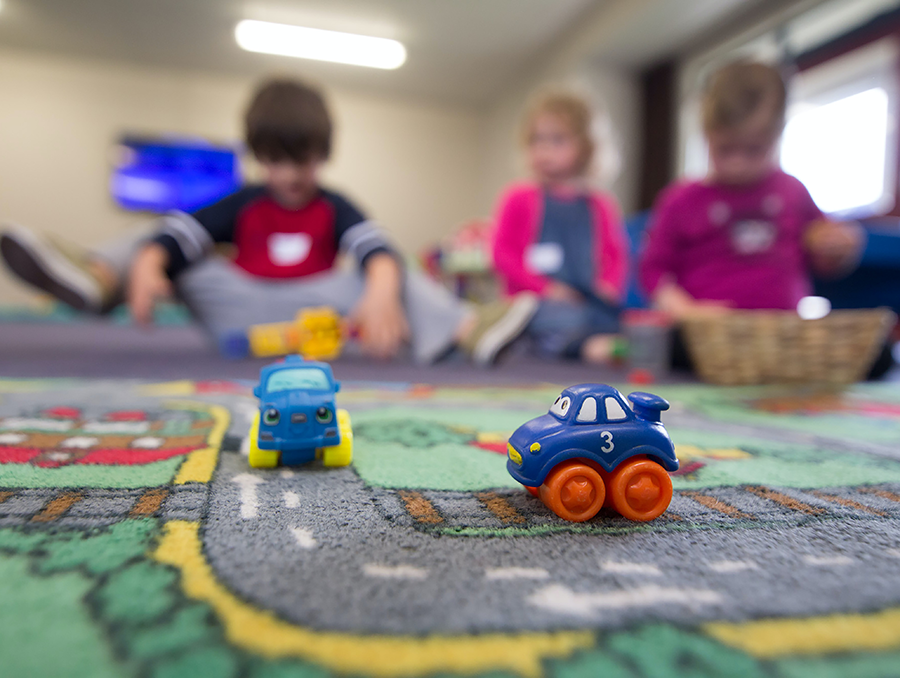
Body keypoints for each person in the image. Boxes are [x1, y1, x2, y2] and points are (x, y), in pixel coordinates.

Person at [0, 78, 537, 365]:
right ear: (258, 155)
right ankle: (97, 279)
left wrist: (380, 288)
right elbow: (178, 234)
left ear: (322, 155)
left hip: (313, 314)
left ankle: (470, 331)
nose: (289, 174)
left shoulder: (333, 204)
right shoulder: (245, 200)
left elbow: (375, 247)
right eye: (275, 160)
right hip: (238, 309)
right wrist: (148, 261)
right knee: (157, 237)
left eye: (301, 160)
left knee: (390, 269)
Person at [640, 61, 864, 321]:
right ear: (706, 136)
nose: (738, 164)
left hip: (782, 334)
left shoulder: (792, 191)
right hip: (703, 336)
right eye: (724, 149)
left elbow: (823, 258)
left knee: (877, 355)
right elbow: (653, 271)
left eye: (754, 150)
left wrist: (839, 248)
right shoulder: (680, 200)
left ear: (777, 136)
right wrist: (686, 311)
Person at [491, 91, 629, 363]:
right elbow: (503, 255)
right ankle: (575, 346)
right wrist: (548, 290)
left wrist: (608, 287)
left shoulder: (600, 205)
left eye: (557, 140)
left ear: (586, 147)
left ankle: (573, 343)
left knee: (614, 318)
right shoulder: (519, 198)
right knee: (545, 316)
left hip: (583, 301)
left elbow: (615, 256)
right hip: (533, 302)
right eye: (536, 140)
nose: (543, 150)